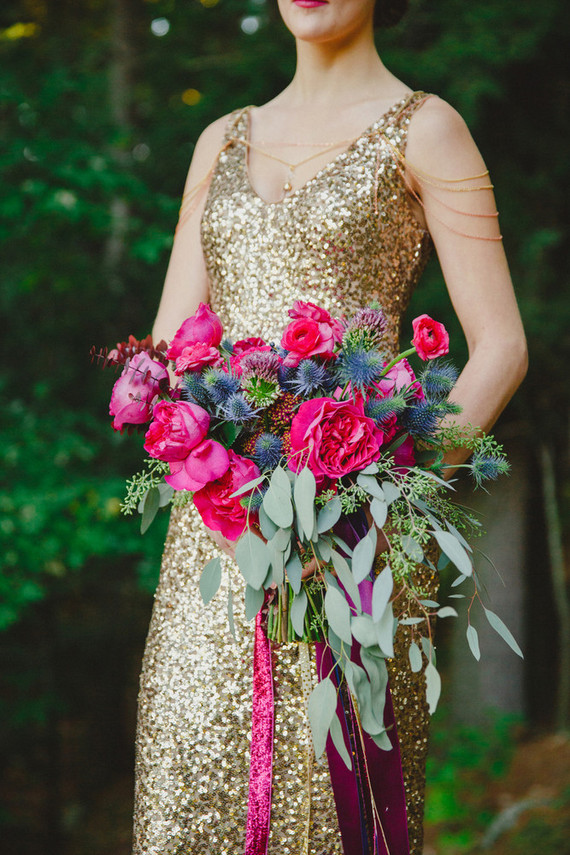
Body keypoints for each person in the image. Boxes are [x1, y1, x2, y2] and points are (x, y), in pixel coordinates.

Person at [133, 1, 528, 853]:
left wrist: (384, 488)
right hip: (217, 544)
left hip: (355, 552)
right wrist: (199, 438)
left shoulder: (427, 129)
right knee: (189, 789)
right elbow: (168, 345)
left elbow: (501, 346)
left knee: (333, 803)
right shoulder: (220, 140)